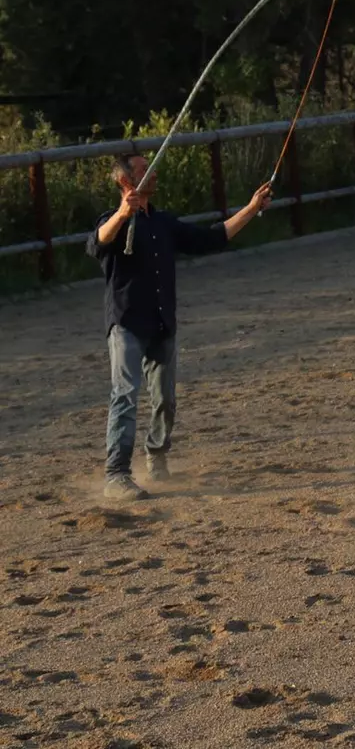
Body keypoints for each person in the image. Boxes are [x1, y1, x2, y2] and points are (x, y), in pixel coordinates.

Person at [87, 154, 273, 501]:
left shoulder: (162, 223)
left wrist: (251, 208)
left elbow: (212, 238)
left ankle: (156, 458)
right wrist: (123, 213)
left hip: (161, 323)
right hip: (126, 322)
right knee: (125, 395)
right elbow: (98, 241)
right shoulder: (111, 221)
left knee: (165, 400)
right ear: (126, 182)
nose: (153, 171)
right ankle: (116, 475)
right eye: (145, 169)